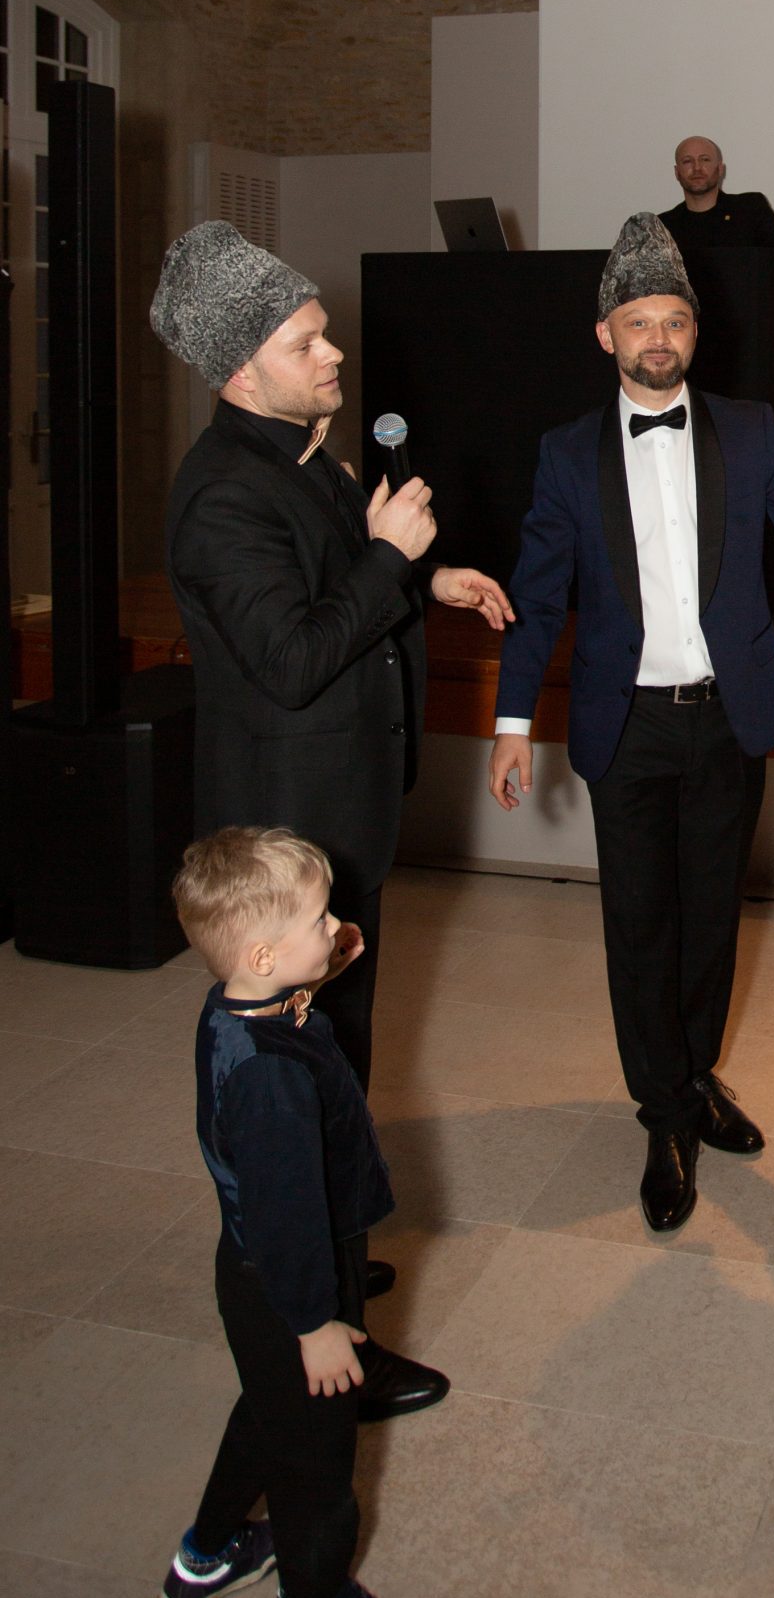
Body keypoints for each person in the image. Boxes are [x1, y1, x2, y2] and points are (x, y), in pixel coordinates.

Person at [489, 213, 774, 1233]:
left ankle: (694, 1080)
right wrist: (513, 719)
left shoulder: (748, 430)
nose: (658, 339)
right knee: (641, 927)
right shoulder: (566, 454)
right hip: (625, 727)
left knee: (711, 921)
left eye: (675, 321)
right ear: (605, 335)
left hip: (727, 718)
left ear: (695, 332)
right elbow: (540, 596)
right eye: (639, 322)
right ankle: (662, 1114)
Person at [151, 220, 511, 1415]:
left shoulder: (302, 456)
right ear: (236, 368)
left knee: (335, 1071)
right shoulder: (221, 496)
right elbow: (298, 657)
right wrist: (389, 558)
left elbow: (334, 587)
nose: (334, 352)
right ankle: (317, 1330)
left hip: (335, 819)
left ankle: (332, 1261)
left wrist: (424, 577)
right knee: (296, 1084)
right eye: (305, 341)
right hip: (286, 845)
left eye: (322, 331)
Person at [156, 827, 410, 1598]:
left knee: (270, 1415)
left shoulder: (239, 1006)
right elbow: (287, 1215)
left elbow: (272, 1206)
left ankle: (209, 1551)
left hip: (260, 1273)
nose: (335, 925)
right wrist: (316, 1324)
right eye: (319, 919)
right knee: (318, 1454)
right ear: (265, 956)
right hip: (293, 1280)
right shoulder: (270, 1082)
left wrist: (321, 967)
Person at [659, 135, 774, 254]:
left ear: (720, 169)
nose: (697, 168)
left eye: (705, 159)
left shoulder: (750, 209)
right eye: (687, 161)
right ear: (677, 172)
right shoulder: (662, 227)